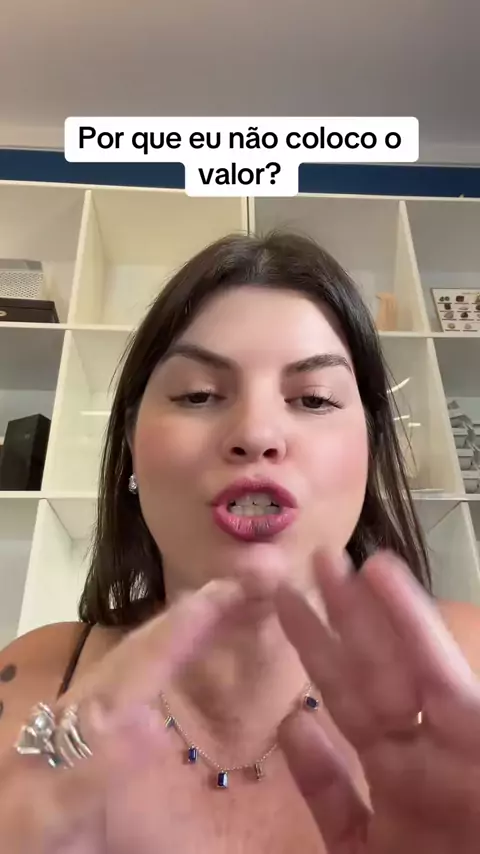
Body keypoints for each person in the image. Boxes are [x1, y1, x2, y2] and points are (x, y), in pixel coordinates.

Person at [1, 230, 480, 853]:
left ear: (371, 448)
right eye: (198, 395)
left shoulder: (468, 670)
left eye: (314, 399)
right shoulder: (30, 689)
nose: (256, 432)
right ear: (131, 445)